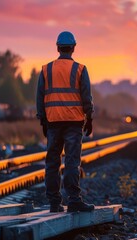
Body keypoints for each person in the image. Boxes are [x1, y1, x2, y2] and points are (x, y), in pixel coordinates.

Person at [36, 31, 94, 213]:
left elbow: (40, 97)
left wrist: (43, 120)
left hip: (53, 122)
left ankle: (54, 202)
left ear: (57, 47)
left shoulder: (46, 70)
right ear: (73, 48)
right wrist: (89, 117)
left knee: (52, 162)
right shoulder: (80, 69)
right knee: (71, 162)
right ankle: (74, 200)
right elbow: (86, 96)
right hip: (74, 122)